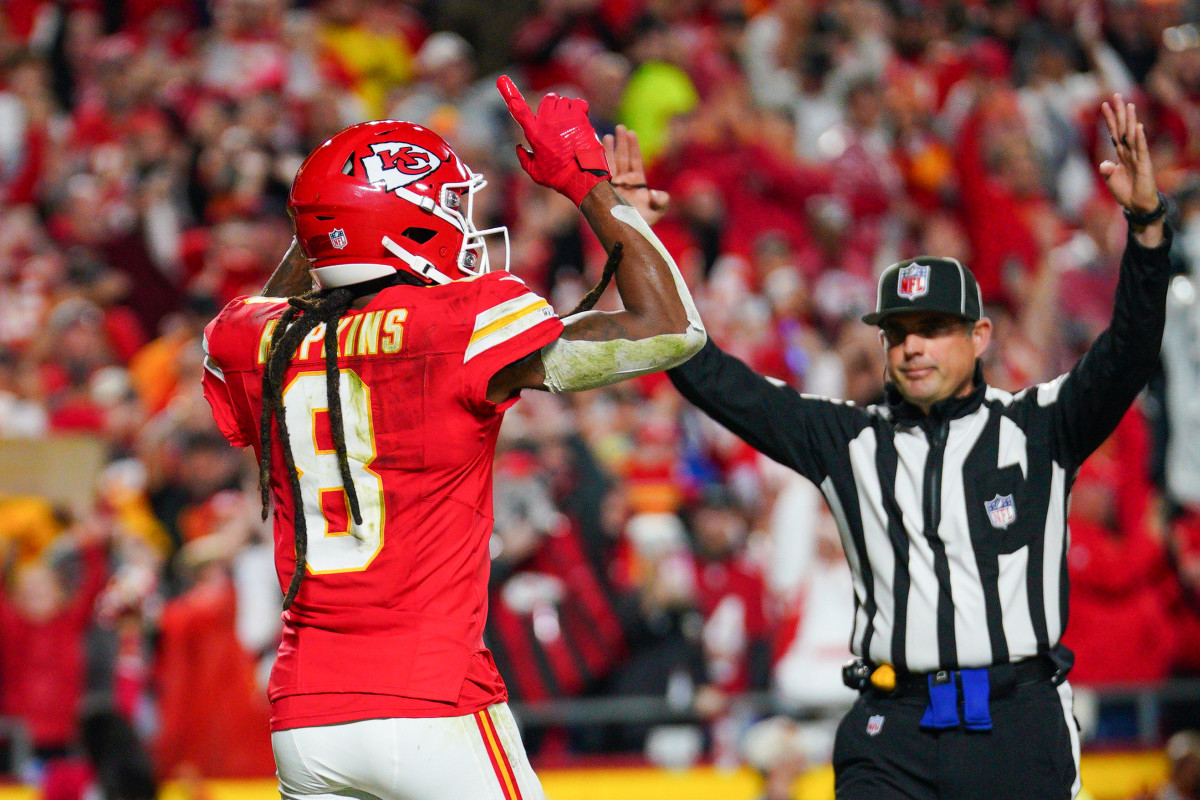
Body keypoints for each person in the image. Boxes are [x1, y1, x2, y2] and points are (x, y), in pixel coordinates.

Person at [199, 76, 705, 800]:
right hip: (431, 700)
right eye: (445, 207)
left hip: (305, 716)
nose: (462, 226)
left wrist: (324, 218)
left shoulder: (251, 338)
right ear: (403, 221)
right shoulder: (457, 324)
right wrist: (594, 188)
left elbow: (290, 296)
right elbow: (672, 328)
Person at [665, 95, 1170, 799]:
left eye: (933, 327)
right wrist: (628, 229)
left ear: (979, 336)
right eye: (899, 332)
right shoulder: (849, 440)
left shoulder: (1039, 425)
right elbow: (713, 378)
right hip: (893, 722)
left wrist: (1147, 226)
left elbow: (1129, 353)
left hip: (1015, 722)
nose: (913, 347)